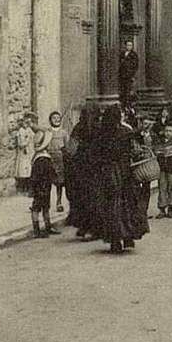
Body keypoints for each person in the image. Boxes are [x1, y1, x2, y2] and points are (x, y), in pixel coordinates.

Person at [97, 103, 148, 254]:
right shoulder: (123, 131)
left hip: (109, 172)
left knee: (113, 206)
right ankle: (127, 236)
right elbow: (130, 145)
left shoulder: (102, 133)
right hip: (122, 171)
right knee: (127, 203)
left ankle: (116, 240)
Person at [68, 102, 102, 239]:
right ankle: (94, 229)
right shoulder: (100, 128)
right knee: (95, 197)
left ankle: (83, 227)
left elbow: (71, 148)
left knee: (82, 198)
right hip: (95, 168)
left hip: (81, 168)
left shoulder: (78, 128)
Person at [30, 130, 60, 238]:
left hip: (40, 186)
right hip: (42, 186)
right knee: (39, 206)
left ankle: (45, 227)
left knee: (42, 206)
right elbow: (50, 172)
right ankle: (38, 230)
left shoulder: (37, 158)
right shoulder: (44, 159)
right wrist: (56, 180)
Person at [47, 110, 68, 213]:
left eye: (58, 118)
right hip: (49, 158)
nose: (56, 120)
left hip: (60, 159)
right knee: (47, 182)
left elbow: (67, 146)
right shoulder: (48, 132)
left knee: (59, 183)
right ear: (50, 120)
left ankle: (59, 202)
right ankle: (46, 203)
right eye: (54, 118)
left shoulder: (63, 132)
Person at [14, 114, 35, 194]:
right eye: (24, 122)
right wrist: (26, 141)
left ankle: (30, 188)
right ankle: (23, 188)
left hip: (30, 152)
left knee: (30, 169)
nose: (26, 123)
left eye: (27, 122)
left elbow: (34, 138)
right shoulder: (20, 131)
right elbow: (20, 144)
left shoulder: (29, 130)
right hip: (24, 153)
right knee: (23, 170)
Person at [119, 39, 139, 109]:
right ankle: (123, 105)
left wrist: (132, 75)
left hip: (129, 76)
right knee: (123, 91)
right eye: (128, 45)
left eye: (130, 45)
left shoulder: (134, 55)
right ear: (125, 46)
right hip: (122, 76)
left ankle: (128, 105)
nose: (129, 47)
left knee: (129, 91)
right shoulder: (122, 54)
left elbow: (135, 66)